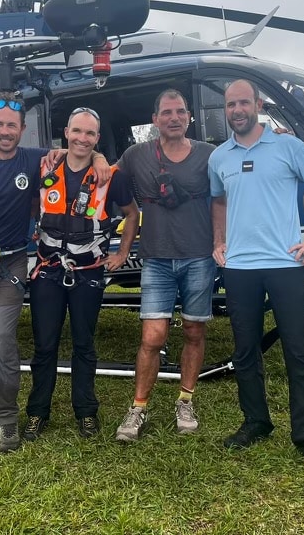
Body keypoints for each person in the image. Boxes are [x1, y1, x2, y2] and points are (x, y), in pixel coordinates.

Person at [0, 93, 109, 453]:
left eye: (11, 126)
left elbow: (76, 150)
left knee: (4, 342)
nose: (5, 131)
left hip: (13, 264)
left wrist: (100, 155)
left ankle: (10, 421)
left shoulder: (34, 160)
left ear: (22, 130)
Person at [209, 79, 304, 470]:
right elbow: (218, 199)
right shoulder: (220, 157)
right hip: (239, 269)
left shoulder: (288, 146)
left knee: (299, 352)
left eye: (243, 103)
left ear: (258, 104)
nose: (237, 110)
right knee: (245, 351)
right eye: (231, 104)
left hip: (286, 265)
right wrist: (219, 240)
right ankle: (256, 422)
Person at [24, 108, 139, 441]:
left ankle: (86, 413)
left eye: (90, 134)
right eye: (77, 132)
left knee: (84, 345)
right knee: (44, 345)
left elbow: (131, 214)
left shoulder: (110, 176)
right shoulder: (45, 165)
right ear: (66, 132)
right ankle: (36, 413)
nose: (82, 139)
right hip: (47, 270)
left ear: (97, 139)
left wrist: (121, 253)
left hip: (87, 273)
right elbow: (31, 204)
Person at [114, 89, 217, 441]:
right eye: (167, 112)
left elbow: (229, 191)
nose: (174, 117)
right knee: (152, 337)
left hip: (199, 257)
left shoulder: (209, 154)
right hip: (156, 259)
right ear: (155, 119)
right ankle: (138, 408)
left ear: (188, 116)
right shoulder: (135, 155)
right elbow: (105, 176)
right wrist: (73, 155)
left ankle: (185, 400)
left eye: (180, 111)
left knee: (194, 331)